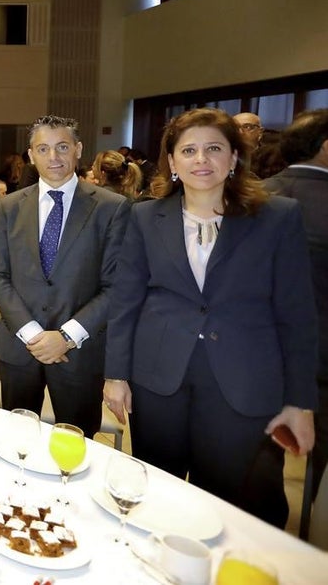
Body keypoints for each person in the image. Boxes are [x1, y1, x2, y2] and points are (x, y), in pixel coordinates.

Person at [104, 107, 316, 527]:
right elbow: (126, 299)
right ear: (173, 162)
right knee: (159, 494)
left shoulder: (278, 217)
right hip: (160, 378)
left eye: (214, 149)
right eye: (189, 150)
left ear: (234, 157)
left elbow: (297, 315)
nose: (201, 160)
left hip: (242, 381)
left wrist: (300, 401)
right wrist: (115, 374)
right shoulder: (146, 216)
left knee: (224, 504)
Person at [0, 115, 130, 438]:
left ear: (78, 149)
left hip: (79, 353)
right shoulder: (8, 207)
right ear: (31, 155)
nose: (54, 157)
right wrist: (33, 334)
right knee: (17, 443)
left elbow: (116, 286)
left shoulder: (112, 208)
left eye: (62, 147)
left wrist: (65, 336)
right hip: (21, 349)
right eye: (44, 148)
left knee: (76, 446)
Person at [263, 108, 328, 518]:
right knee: (318, 491)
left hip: (249, 359)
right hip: (321, 363)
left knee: (257, 469)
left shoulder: (253, 195)